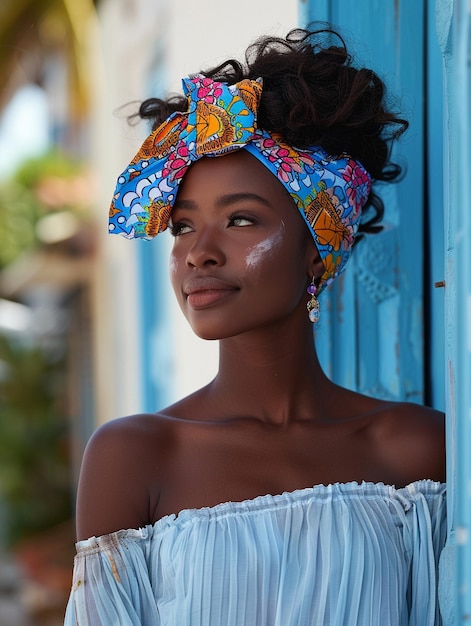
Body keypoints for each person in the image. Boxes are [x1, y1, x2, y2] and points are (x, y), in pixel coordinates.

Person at [64, 27, 446, 626]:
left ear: (318, 249)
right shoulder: (133, 455)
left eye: (241, 219)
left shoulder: (417, 453)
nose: (199, 254)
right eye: (183, 227)